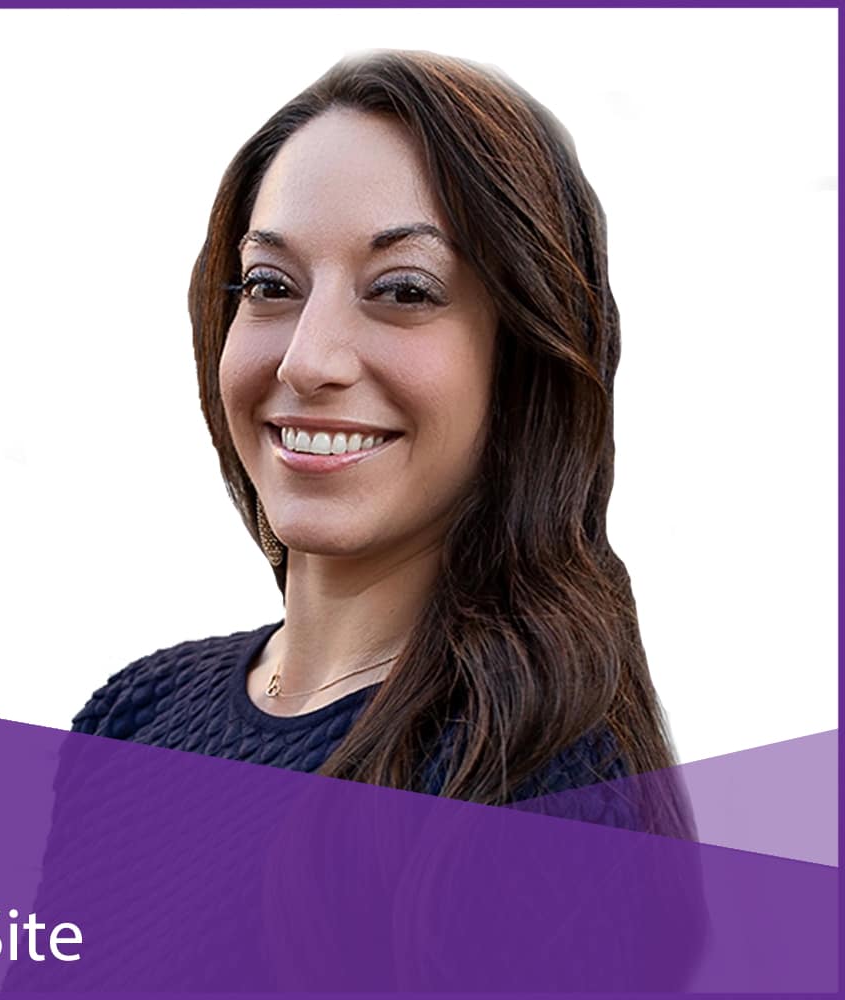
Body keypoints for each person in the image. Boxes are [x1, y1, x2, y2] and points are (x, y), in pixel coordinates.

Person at [72, 48, 684, 826]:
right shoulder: (134, 717)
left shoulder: (549, 786)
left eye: (403, 291)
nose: (307, 361)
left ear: (522, 359)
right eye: (269, 285)